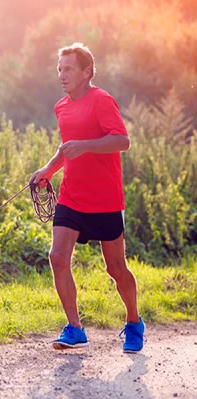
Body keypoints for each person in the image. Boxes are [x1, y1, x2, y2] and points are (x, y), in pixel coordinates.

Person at [30, 42, 144, 353]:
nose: (62, 75)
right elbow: (67, 147)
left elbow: (122, 141)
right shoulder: (61, 106)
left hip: (106, 200)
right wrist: (49, 170)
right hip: (72, 197)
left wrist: (86, 145)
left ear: (86, 72)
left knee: (116, 268)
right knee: (57, 258)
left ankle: (134, 322)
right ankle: (75, 328)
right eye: (59, 69)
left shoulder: (102, 100)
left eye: (68, 69)